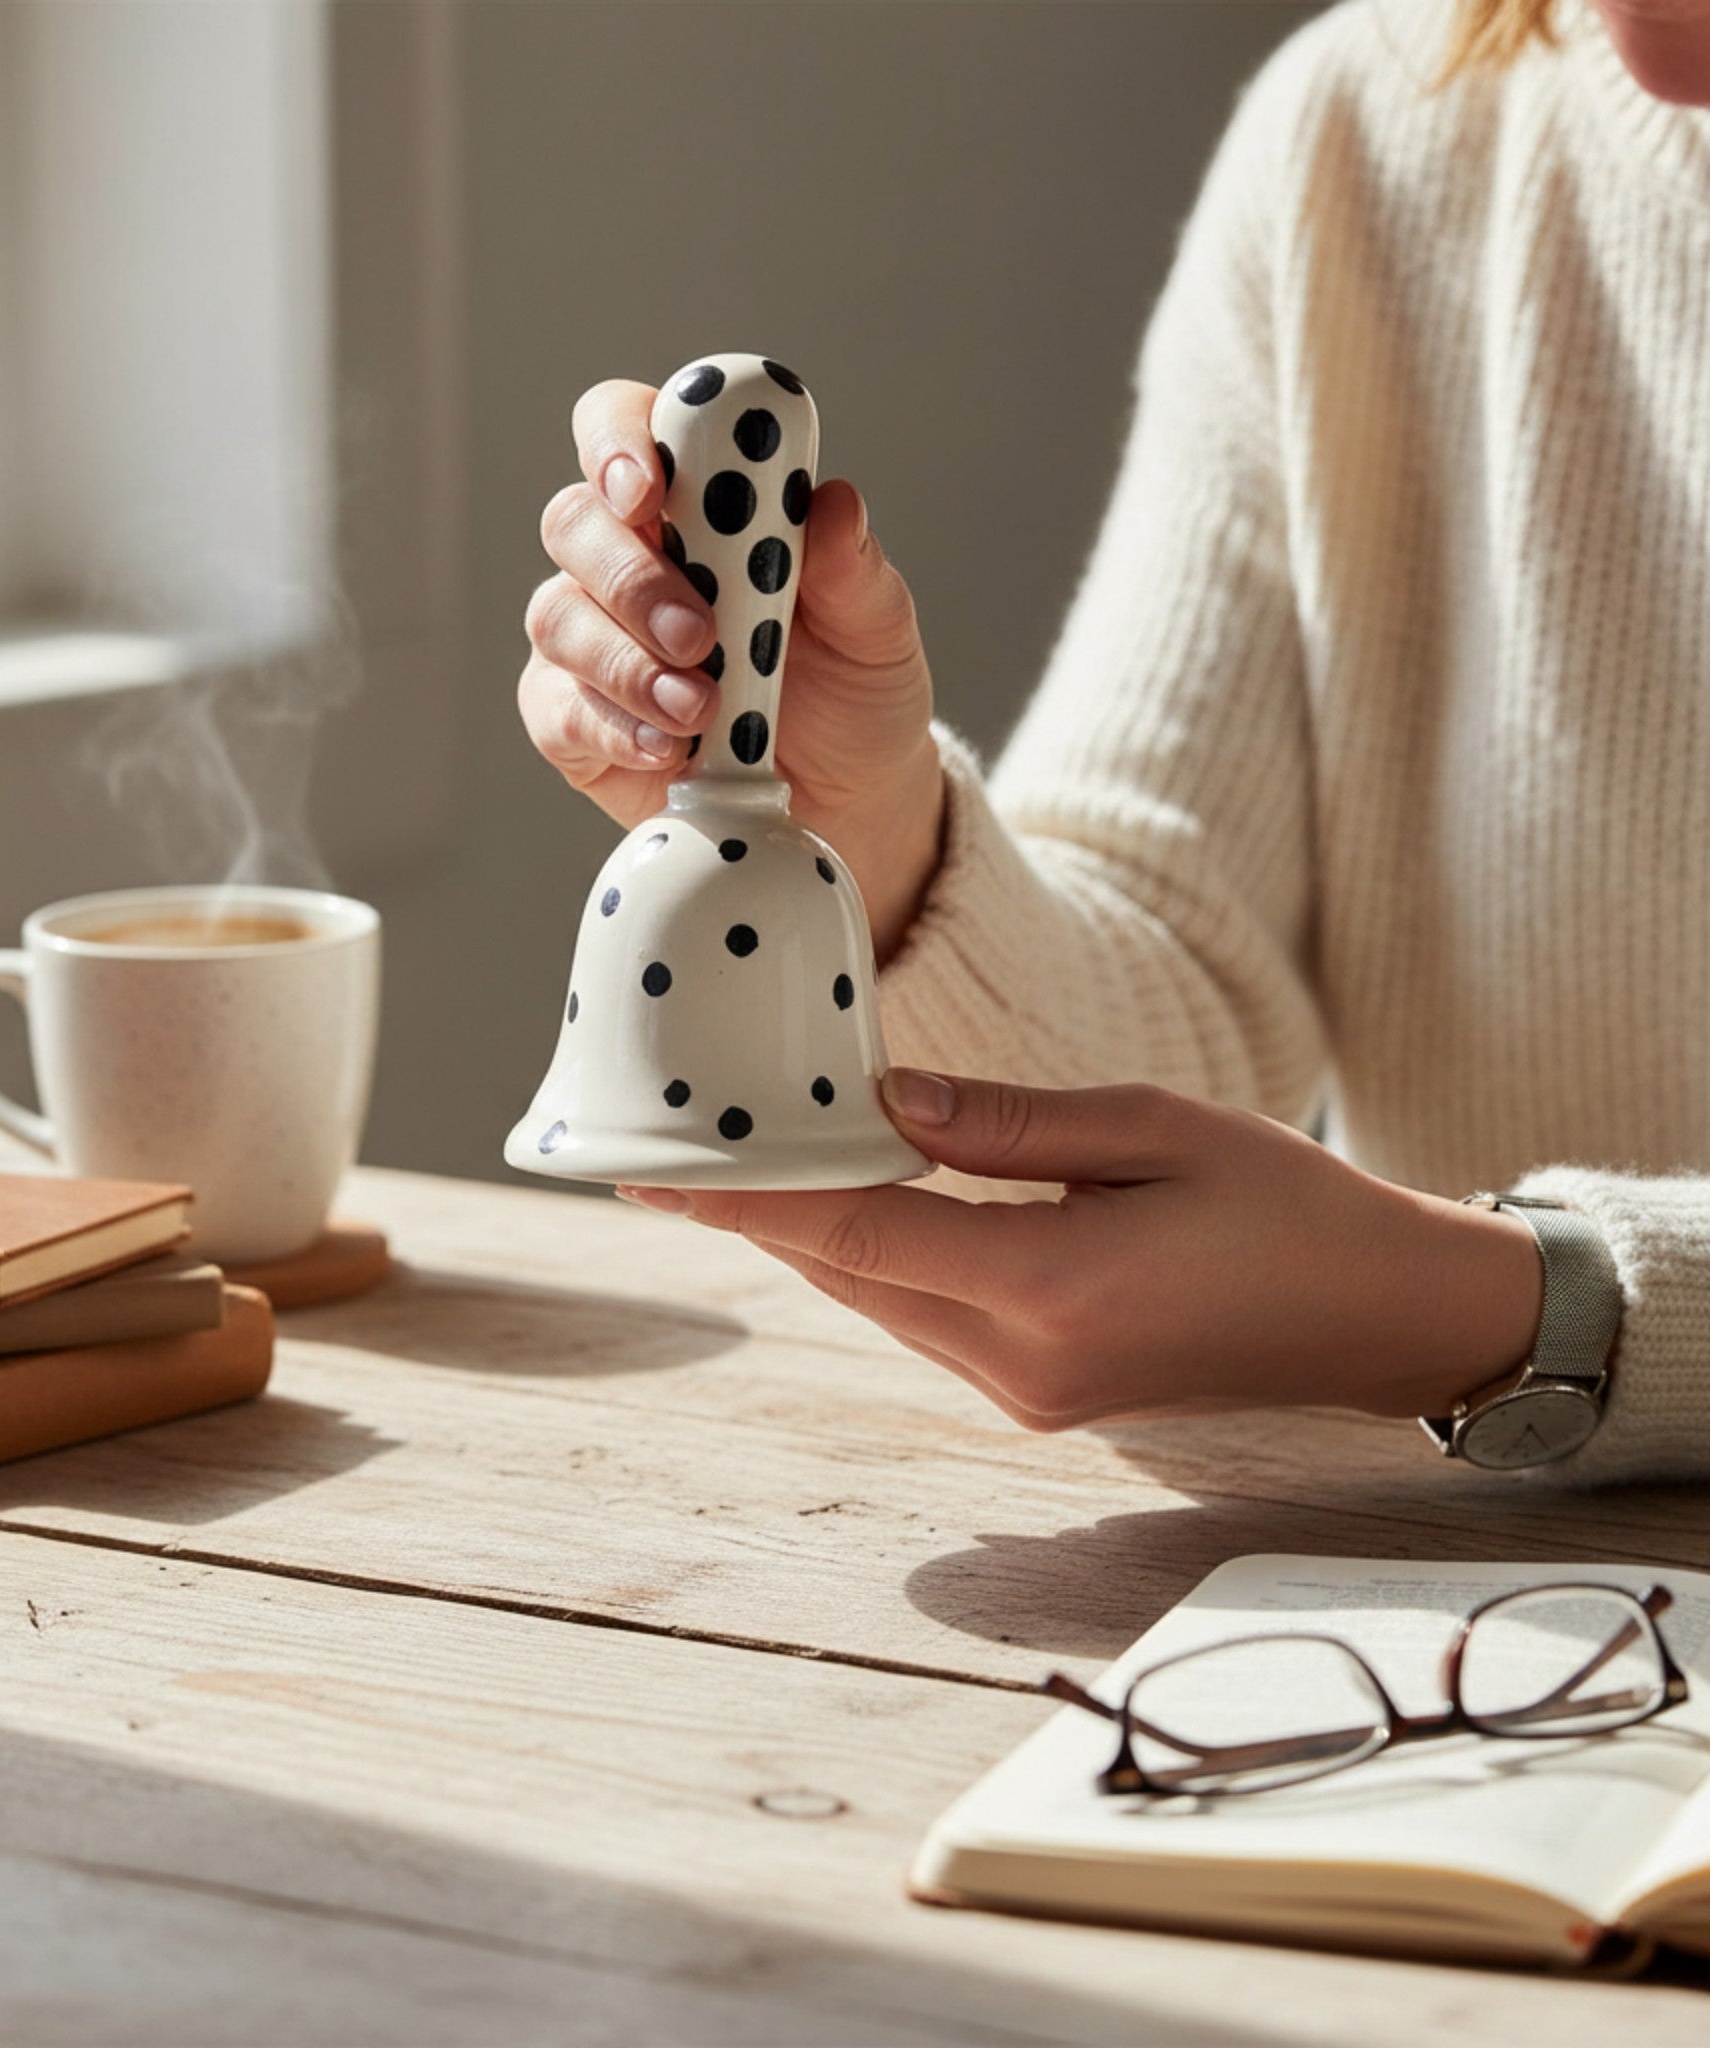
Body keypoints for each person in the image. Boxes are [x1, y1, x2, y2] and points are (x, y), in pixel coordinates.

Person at [516, 0, 1709, 1483]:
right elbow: (1187, 990)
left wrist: (1530, 1311)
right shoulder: (1375, 134)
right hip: (1472, 1611)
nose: (1641, 41)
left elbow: (1427, 1296)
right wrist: (872, 851)